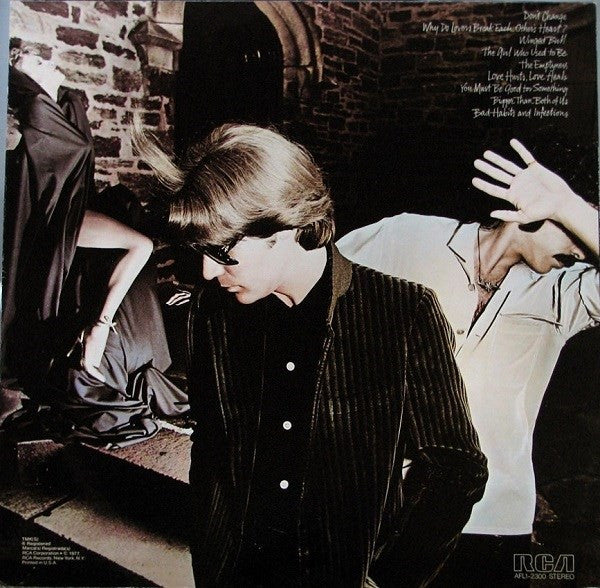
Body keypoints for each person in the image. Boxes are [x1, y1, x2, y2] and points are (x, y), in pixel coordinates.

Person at [135, 122, 488, 586]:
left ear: (285, 227)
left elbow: (455, 469)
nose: (206, 271)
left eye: (221, 251)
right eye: (201, 251)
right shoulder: (210, 312)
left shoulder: (403, 312)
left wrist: (390, 579)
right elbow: (212, 445)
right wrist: (212, 553)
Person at [337, 139, 600, 586]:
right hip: (378, 510)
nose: (582, 250)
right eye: (573, 227)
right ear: (523, 204)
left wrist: (568, 205)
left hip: (492, 524)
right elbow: (310, 292)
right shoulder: (405, 238)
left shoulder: (565, 293)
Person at [3, 47, 188, 445]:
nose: (47, 61)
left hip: (66, 219)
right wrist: (99, 327)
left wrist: (99, 326)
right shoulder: (37, 120)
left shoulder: (63, 113)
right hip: (55, 221)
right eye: (34, 60)